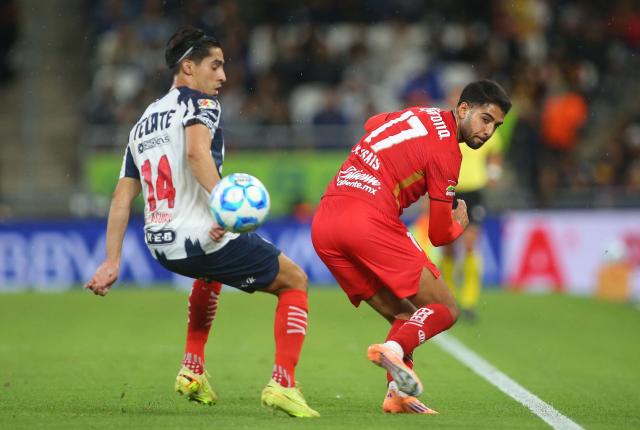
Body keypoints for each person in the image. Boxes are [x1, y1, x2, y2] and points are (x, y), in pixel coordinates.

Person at [84, 25, 319, 418]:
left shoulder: (143, 121)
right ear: (188, 67)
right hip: (199, 236)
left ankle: (192, 369)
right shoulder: (201, 105)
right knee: (295, 281)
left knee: (209, 275)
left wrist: (112, 261)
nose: (223, 76)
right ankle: (284, 383)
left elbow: (122, 197)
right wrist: (223, 206)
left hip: (160, 244)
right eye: (216, 65)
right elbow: (196, 155)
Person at [311, 80, 510, 414]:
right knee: (446, 309)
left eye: (496, 125)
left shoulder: (418, 113)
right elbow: (439, 235)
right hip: (367, 218)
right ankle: (390, 350)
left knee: (407, 314)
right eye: (485, 119)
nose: (489, 131)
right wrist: (460, 222)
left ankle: (398, 395)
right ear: (463, 109)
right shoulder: (448, 153)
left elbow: (372, 124)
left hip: (326, 222)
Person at [441, 109, 505, 323]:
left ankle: (468, 302)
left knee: (469, 244)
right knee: (448, 247)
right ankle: (448, 300)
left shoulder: (483, 125)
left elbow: (495, 151)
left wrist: (493, 173)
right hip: (450, 189)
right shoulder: (446, 126)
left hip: (474, 192)